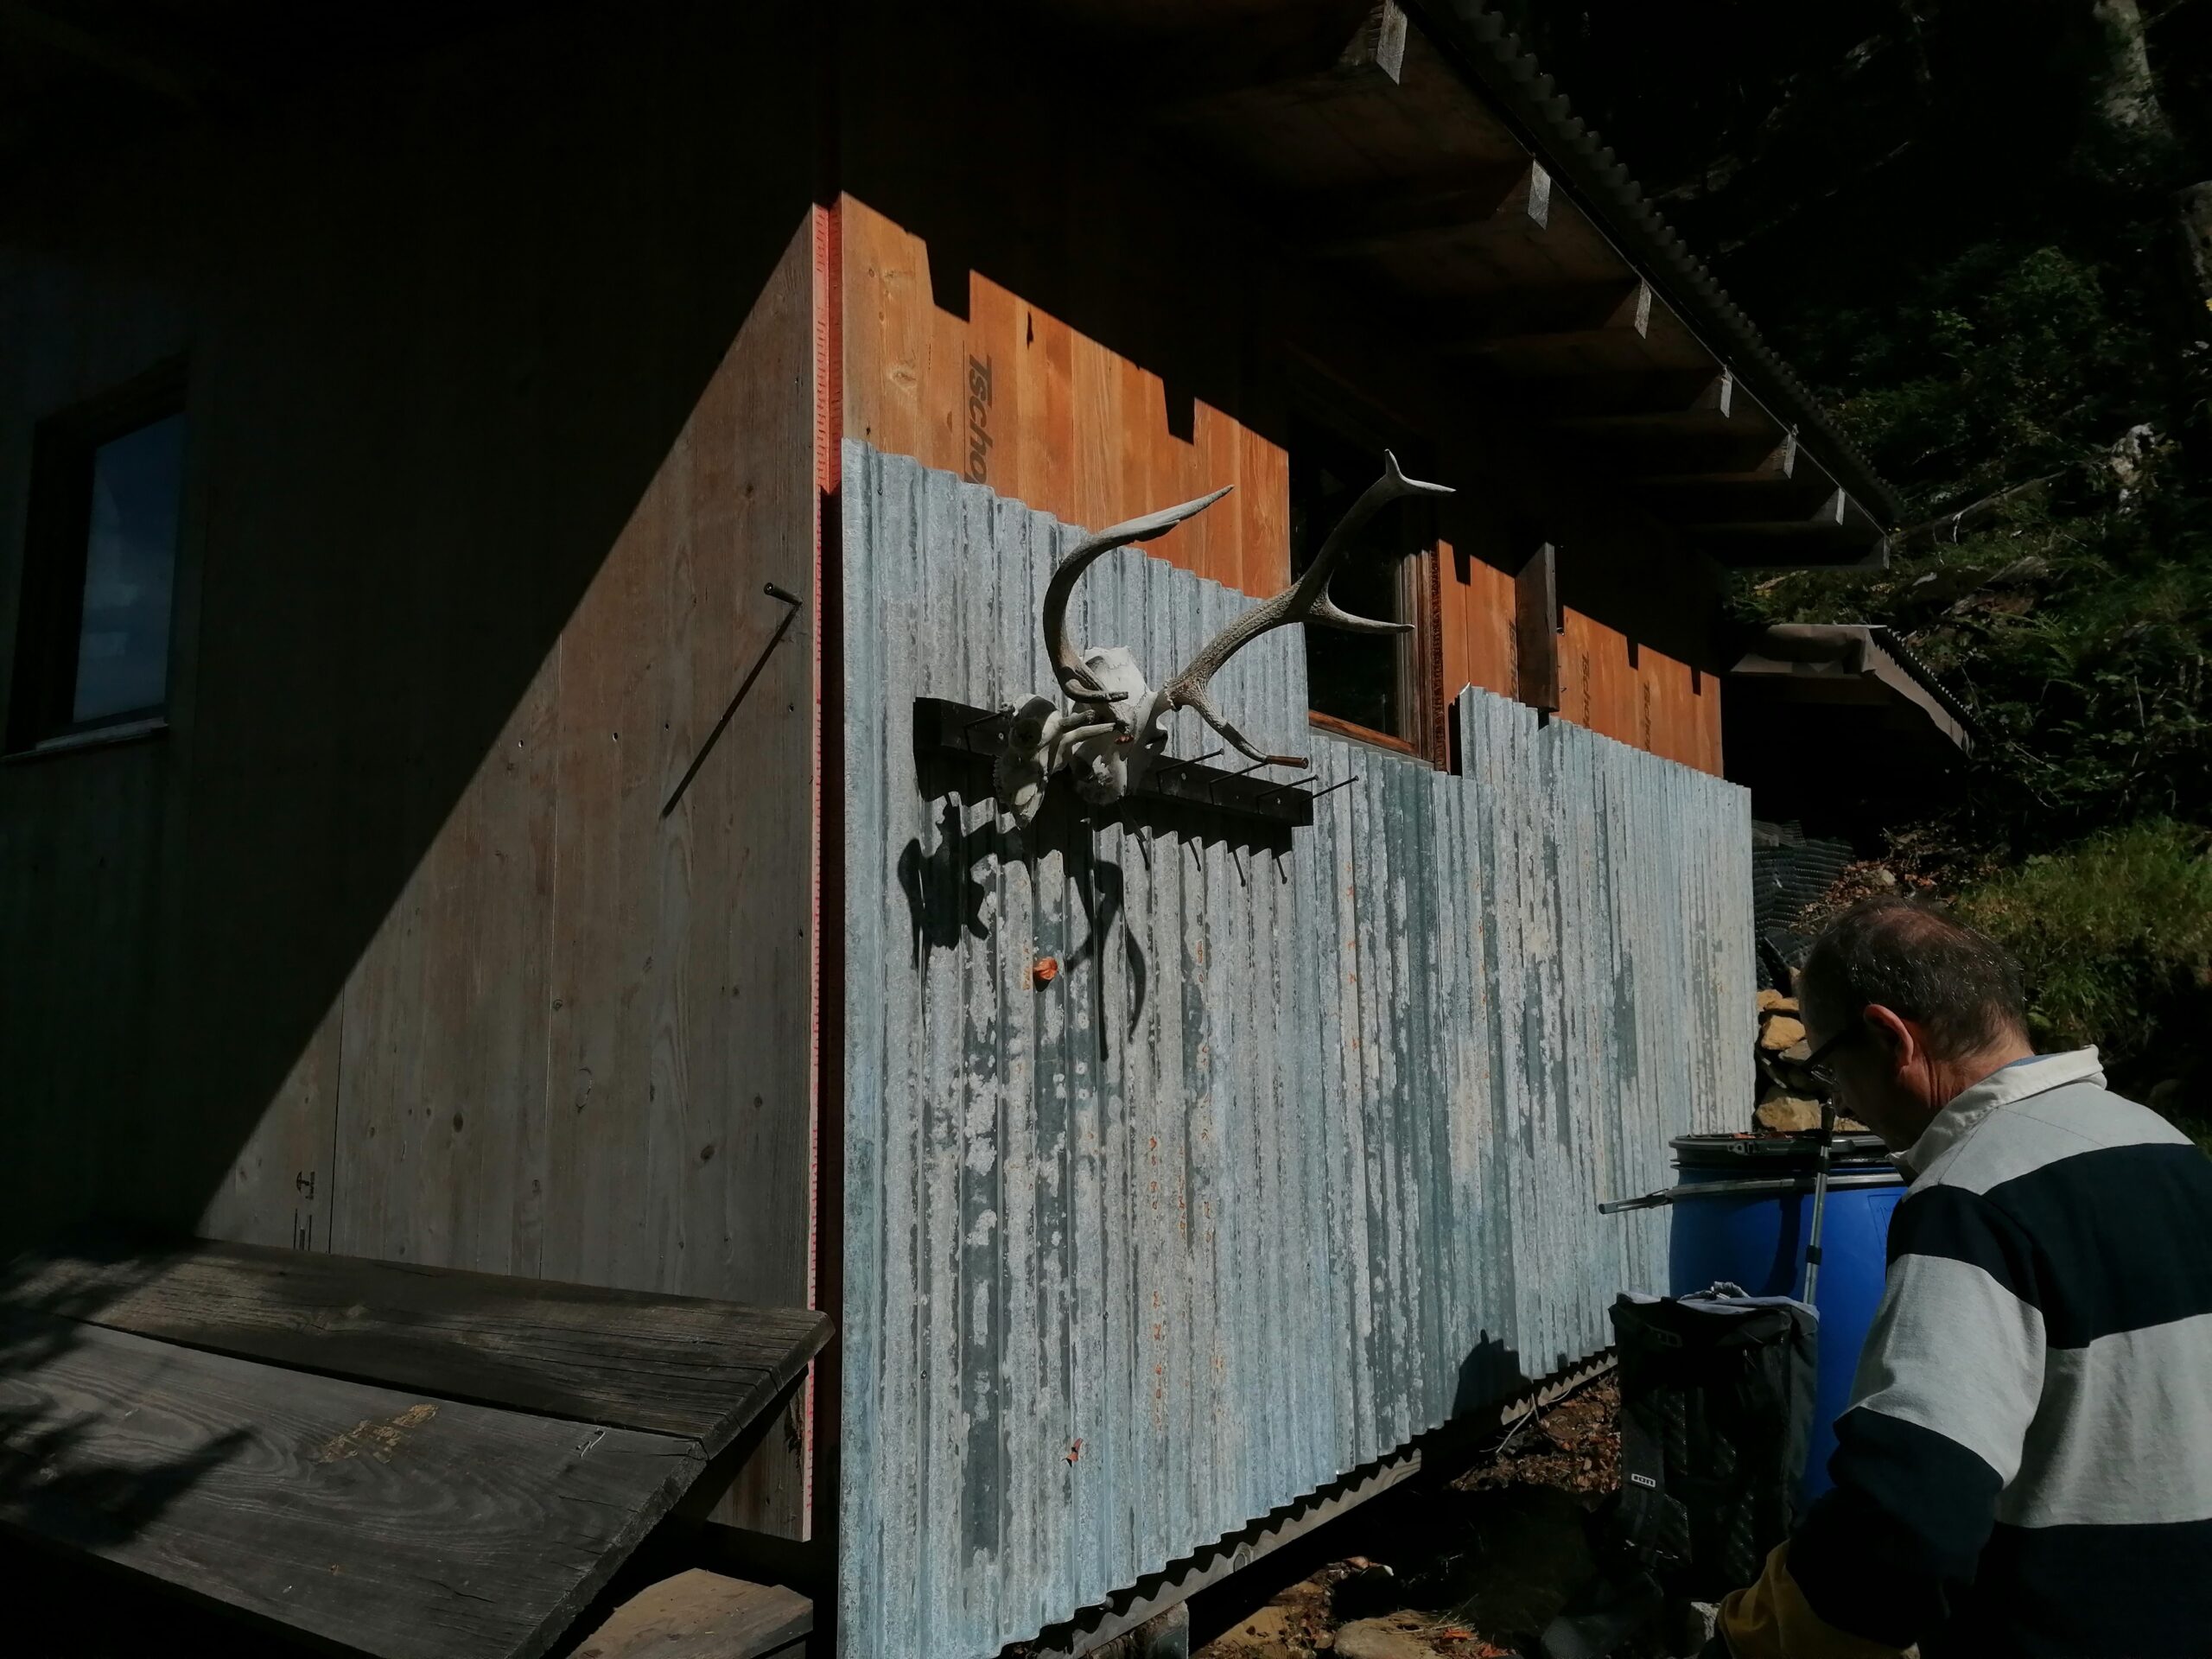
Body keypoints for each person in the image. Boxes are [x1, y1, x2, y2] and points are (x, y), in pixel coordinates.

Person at [1710, 896, 2212, 1659]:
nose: (1839, 1098)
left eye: (1832, 1066)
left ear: (1890, 1038)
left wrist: (1747, 1640)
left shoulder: (1974, 1196)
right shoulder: (2169, 1149)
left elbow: (1906, 1520)